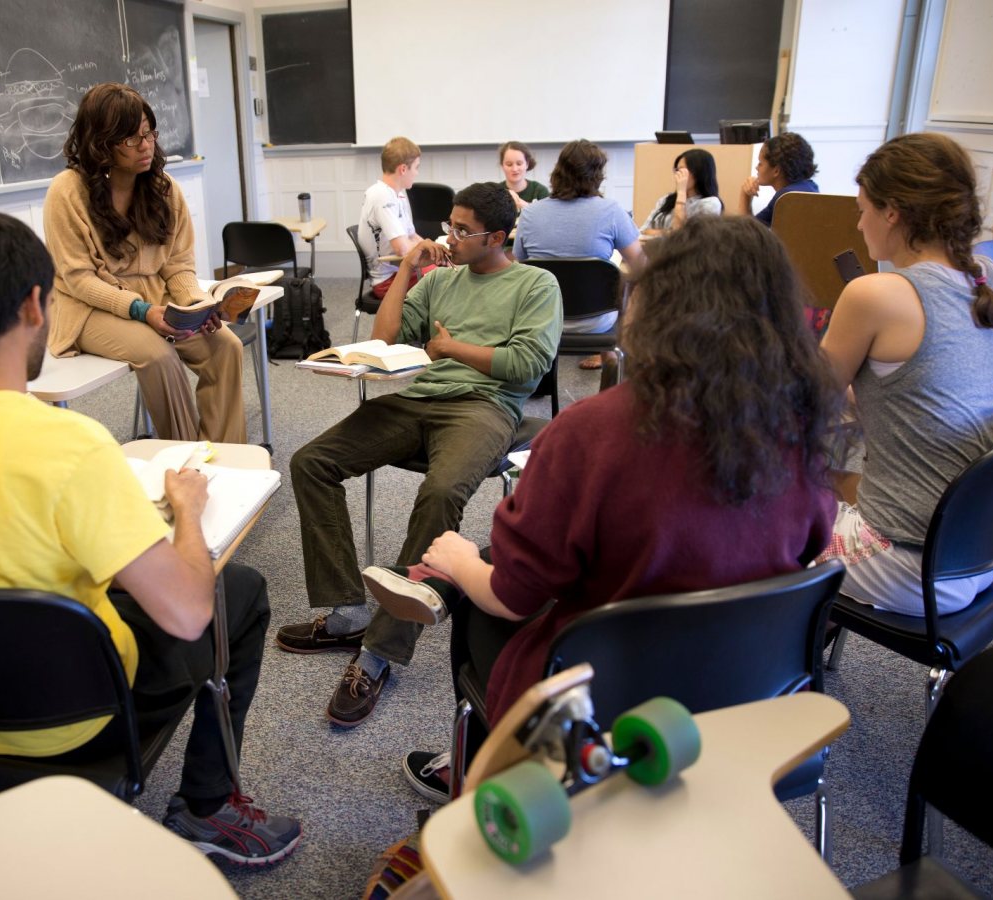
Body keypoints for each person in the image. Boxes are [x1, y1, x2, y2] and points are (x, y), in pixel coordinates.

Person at [0, 211, 300, 865]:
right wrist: (185, 510)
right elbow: (186, 614)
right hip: (68, 709)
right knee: (237, 592)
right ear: (34, 305)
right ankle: (207, 808)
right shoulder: (67, 444)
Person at [362, 216, 838, 802]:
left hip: (607, 701)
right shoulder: (800, 428)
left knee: (477, 599)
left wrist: (458, 561)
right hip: (749, 695)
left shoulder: (594, 431)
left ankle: (486, 764)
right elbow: (809, 546)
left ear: (657, 305)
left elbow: (516, 594)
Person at [276, 183, 560, 728]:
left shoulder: (535, 284)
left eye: (461, 230)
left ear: (497, 238)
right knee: (312, 461)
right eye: (447, 225)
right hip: (418, 400)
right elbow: (384, 344)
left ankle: (380, 650)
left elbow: (527, 366)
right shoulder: (442, 280)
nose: (447, 238)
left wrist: (451, 348)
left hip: (485, 407)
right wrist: (407, 270)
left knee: (441, 491)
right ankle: (347, 612)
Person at [816, 132, 993, 616]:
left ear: (893, 212)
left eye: (862, 211)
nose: (859, 225)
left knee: (750, 530)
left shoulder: (875, 294)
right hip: (983, 553)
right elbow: (919, 394)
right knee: (833, 476)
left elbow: (803, 403)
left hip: (905, 567)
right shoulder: (986, 276)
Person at [43, 83, 245, 443]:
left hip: (158, 303)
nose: (146, 145)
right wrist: (141, 310)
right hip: (88, 310)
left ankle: (229, 459)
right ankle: (185, 463)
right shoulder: (66, 191)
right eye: (132, 139)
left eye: (149, 133)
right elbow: (79, 281)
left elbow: (178, 265)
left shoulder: (164, 189)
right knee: (158, 354)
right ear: (101, 143)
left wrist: (195, 305)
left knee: (225, 347)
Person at [514, 139, 644, 342]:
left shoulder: (529, 214)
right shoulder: (612, 211)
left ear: (557, 172)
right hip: (597, 321)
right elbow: (641, 266)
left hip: (541, 318)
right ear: (598, 175)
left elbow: (519, 267)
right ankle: (608, 358)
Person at [359, 136, 428, 299]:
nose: (417, 173)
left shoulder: (397, 194)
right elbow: (402, 249)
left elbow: (412, 236)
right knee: (446, 281)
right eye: (416, 167)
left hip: (402, 272)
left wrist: (429, 246)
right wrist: (427, 249)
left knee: (446, 271)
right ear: (403, 169)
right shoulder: (382, 196)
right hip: (388, 281)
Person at [738, 132, 819, 228]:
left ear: (776, 171)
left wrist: (744, 195)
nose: (756, 167)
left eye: (760, 163)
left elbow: (747, 234)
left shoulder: (785, 198)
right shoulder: (811, 186)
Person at [640, 148, 722, 235]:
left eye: (682, 170)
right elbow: (644, 230)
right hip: (657, 247)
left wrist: (681, 194)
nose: (678, 175)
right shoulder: (666, 200)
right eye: (677, 170)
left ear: (699, 172)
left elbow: (683, 236)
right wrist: (669, 233)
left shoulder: (710, 203)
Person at [498, 140, 549, 211]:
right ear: (502, 165)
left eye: (519, 164)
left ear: (527, 164)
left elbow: (547, 218)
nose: (514, 169)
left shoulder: (540, 191)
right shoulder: (496, 192)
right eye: (509, 164)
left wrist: (526, 206)